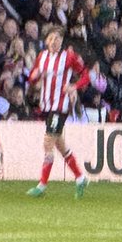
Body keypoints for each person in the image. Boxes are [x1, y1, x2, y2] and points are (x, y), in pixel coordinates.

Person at [26, 25, 90, 198]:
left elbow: (86, 75)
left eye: (59, 39)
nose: (55, 42)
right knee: (60, 146)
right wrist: (34, 76)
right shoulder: (42, 56)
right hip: (47, 106)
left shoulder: (68, 57)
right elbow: (33, 76)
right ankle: (80, 177)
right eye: (52, 38)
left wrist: (74, 86)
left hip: (60, 107)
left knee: (47, 143)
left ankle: (42, 186)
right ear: (47, 40)